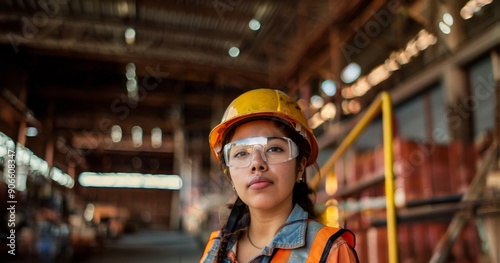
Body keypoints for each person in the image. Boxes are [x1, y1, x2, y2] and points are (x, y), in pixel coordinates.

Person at [200, 89, 359, 263]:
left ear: (300, 166)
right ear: (229, 172)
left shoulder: (330, 252)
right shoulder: (215, 248)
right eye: (241, 153)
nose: (256, 163)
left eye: (274, 149)